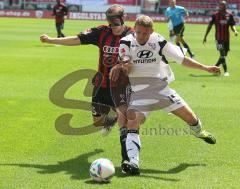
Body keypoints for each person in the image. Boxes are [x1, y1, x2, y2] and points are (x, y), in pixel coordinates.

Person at [110, 15, 220, 175]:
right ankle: (133, 164)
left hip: (162, 90)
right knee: (132, 122)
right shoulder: (126, 42)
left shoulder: (159, 41)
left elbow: (182, 59)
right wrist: (125, 65)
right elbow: (125, 62)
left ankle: (198, 132)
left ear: (151, 32)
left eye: (145, 34)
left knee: (191, 118)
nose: (141, 36)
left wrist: (205, 68)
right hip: (140, 93)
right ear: (135, 29)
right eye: (138, 32)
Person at [40, 4, 134, 171]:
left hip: (121, 87)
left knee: (124, 122)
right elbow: (77, 39)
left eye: (116, 22)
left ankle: (127, 161)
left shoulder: (133, 35)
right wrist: (51, 40)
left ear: (124, 18)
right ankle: (110, 120)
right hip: (101, 85)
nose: (113, 26)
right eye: (110, 22)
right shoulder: (101, 32)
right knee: (98, 122)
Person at [203, 1, 238, 77]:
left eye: (224, 5)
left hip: (226, 39)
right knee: (222, 54)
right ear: (219, 6)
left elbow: (232, 25)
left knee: (224, 55)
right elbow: (210, 26)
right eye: (221, 5)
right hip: (218, 39)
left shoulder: (229, 15)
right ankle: (226, 71)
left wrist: (235, 30)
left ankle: (213, 68)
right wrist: (205, 36)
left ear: (226, 6)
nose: (222, 6)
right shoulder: (215, 15)